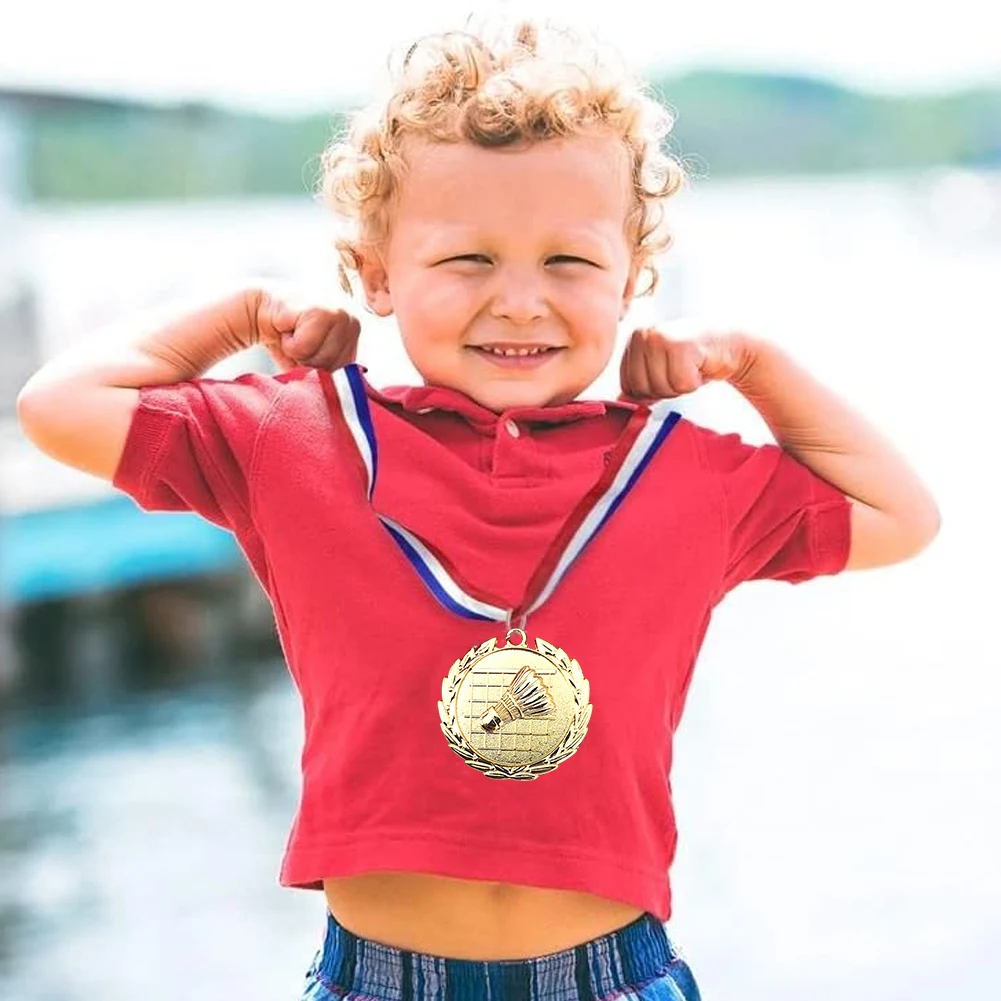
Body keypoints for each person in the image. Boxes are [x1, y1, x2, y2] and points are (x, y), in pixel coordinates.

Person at [15, 15, 940, 1001]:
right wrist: (241, 311)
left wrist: (751, 363)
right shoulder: (294, 435)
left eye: (569, 262)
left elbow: (897, 514)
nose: (518, 300)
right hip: (374, 978)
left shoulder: (682, 470)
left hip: (611, 975)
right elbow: (58, 407)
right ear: (374, 273)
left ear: (631, 277)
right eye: (466, 260)